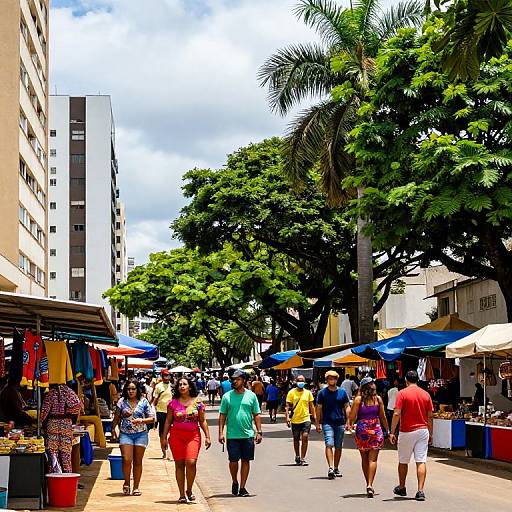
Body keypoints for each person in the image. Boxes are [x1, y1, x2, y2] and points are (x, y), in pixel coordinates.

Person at [162, 377, 211, 503]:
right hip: (176, 436)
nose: (182, 386)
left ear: (190, 386)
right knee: (179, 464)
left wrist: (207, 436)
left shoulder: (198, 402)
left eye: (184, 384)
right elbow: (168, 420)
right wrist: (164, 438)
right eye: (180, 385)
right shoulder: (172, 403)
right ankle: (182, 494)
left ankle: (189, 489)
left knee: (191, 462)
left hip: (193, 435)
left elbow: (202, 420)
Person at [389, 370, 434, 502]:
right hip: (422, 430)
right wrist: (430, 433)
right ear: (418, 380)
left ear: (406, 380)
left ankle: (402, 487)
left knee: (403, 461)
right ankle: (420, 491)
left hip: (406, 431)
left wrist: (392, 432)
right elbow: (430, 416)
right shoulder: (426, 394)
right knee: (421, 460)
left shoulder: (402, 393)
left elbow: (396, 414)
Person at [219, 370, 262, 497]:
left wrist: (259, 431)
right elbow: (222, 415)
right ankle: (234, 481)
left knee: (245, 460)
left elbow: (256, 414)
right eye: (233, 379)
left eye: (237, 379)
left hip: (248, 434)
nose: (234, 381)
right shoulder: (227, 397)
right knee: (233, 461)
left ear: (243, 380)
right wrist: (221, 432)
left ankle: (243, 487)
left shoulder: (251, 396)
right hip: (232, 435)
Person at [112, 379, 155, 496]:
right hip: (125, 434)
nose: (130, 391)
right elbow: (116, 417)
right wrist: (113, 429)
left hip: (141, 434)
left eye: (133, 389)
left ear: (137, 390)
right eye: (128, 389)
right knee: (126, 459)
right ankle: (126, 482)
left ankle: (136, 487)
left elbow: (152, 418)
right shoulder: (122, 401)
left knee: (137, 461)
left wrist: (142, 420)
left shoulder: (144, 401)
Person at [350, 377, 390, 497]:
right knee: (373, 459)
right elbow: (383, 417)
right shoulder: (378, 399)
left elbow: (352, 417)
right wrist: (388, 430)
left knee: (364, 459)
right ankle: (370, 484)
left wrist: (350, 424)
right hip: (375, 429)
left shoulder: (358, 400)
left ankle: (367, 482)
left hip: (362, 430)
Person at [315, 370, 350, 479]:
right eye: (330, 378)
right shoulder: (322, 393)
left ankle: (336, 467)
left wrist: (349, 421)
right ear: (326, 380)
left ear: (337, 379)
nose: (332, 379)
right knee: (329, 444)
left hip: (340, 422)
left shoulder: (342, 392)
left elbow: (347, 407)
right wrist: (317, 423)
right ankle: (330, 467)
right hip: (327, 422)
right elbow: (319, 408)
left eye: (334, 378)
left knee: (338, 446)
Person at [41, 384, 82, 473]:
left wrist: (40, 422)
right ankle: (67, 478)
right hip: (66, 424)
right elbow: (78, 406)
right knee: (66, 454)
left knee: (53, 454)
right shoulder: (69, 392)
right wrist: (68, 412)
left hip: (52, 423)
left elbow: (44, 412)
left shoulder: (50, 393)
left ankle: (55, 478)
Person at [286, 375, 316, 466]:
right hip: (295, 420)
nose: (300, 382)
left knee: (305, 436)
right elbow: (287, 406)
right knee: (296, 439)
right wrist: (287, 417)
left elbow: (311, 406)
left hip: (306, 418)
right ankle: (297, 455)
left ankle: (303, 458)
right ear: (296, 381)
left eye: (302, 380)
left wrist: (315, 417)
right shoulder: (291, 393)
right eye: (299, 380)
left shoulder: (308, 393)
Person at [152, 369, 173, 458]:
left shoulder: (172, 386)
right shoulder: (158, 386)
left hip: (171, 412)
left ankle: (169, 449)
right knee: (162, 433)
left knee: (171, 432)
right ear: (162, 376)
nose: (167, 377)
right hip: (161, 412)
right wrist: (152, 411)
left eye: (168, 375)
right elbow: (154, 400)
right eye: (165, 375)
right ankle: (164, 451)